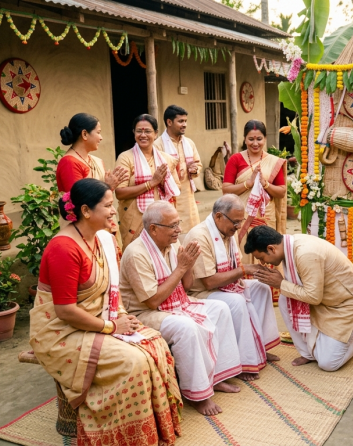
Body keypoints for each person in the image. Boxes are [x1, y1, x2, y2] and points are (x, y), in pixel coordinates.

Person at [30, 178, 182, 445]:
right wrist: (112, 327)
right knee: (133, 361)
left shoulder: (101, 240)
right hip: (61, 330)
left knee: (155, 343)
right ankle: (120, 435)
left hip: (98, 320)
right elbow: (65, 311)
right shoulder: (64, 248)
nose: (114, 211)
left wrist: (120, 315)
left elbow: (109, 292)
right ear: (86, 211)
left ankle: (149, 430)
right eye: (108, 205)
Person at [120, 201, 244, 416]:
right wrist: (181, 267)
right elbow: (152, 301)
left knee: (221, 308)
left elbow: (185, 286)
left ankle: (217, 377)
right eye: (173, 226)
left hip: (175, 303)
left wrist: (188, 264)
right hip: (144, 314)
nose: (179, 230)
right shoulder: (136, 253)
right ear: (153, 229)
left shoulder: (172, 244)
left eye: (179, 224)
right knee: (186, 328)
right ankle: (198, 394)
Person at [244, 225, 353, 371]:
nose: (263, 263)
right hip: (325, 300)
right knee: (285, 299)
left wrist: (281, 283)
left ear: (271, 249)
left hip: (346, 304)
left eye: (261, 258)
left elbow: (313, 297)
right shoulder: (289, 246)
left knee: (328, 363)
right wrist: (282, 285)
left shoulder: (304, 253)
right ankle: (308, 353)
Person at [184, 194, 280, 380]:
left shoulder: (227, 232)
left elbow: (234, 268)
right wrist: (244, 270)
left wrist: (252, 272)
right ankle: (244, 361)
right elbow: (209, 282)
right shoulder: (199, 236)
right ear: (219, 217)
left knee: (261, 287)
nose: (237, 227)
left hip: (225, 286)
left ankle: (260, 346)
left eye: (240, 222)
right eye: (235, 222)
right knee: (236, 301)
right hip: (203, 293)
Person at [55, 113, 129, 246]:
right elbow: (79, 203)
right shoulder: (70, 163)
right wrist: (108, 186)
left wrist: (109, 186)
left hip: (101, 221)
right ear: (84, 134)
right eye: (98, 132)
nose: (101, 137)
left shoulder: (96, 161)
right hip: (83, 229)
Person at [222, 120, 287, 265]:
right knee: (242, 253)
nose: (255, 143)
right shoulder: (235, 159)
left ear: (265, 139)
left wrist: (265, 184)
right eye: (251, 139)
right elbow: (226, 189)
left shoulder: (273, 162)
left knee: (267, 251)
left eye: (259, 139)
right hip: (241, 215)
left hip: (265, 218)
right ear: (245, 139)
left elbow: (281, 192)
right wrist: (248, 184)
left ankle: (268, 287)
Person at [116, 114, 181, 249]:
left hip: (161, 220)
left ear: (156, 133)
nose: (143, 135)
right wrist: (151, 183)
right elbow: (119, 193)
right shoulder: (125, 158)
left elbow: (176, 189)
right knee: (136, 255)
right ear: (134, 133)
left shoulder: (166, 159)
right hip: (134, 219)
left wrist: (164, 183)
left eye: (148, 131)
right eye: (139, 131)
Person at [153, 105, 202, 233]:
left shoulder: (189, 143)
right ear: (169, 122)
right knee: (173, 233)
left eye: (185, 121)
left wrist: (194, 169)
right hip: (169, 198)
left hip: (189, 198)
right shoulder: (158, 145)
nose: (184, 124)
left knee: (192, 233)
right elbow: (156, 171)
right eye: (180, 121)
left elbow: (198, 164)